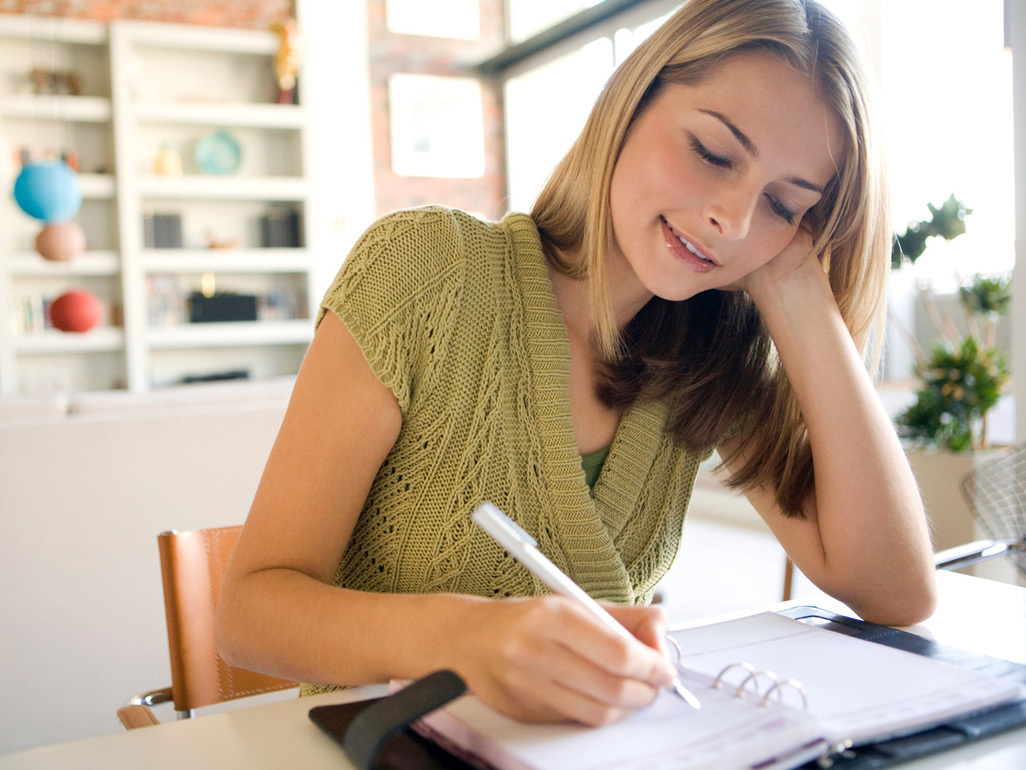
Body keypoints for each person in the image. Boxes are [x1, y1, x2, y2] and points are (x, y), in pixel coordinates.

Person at [215, 0, 937, 728]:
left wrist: (797, 290)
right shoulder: (426, 271)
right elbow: (249, 614)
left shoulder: (712, 356)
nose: (736, 219)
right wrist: (461, 638)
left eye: (784, 205)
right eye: (714, 154)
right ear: (631, 100)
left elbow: (895, 592)